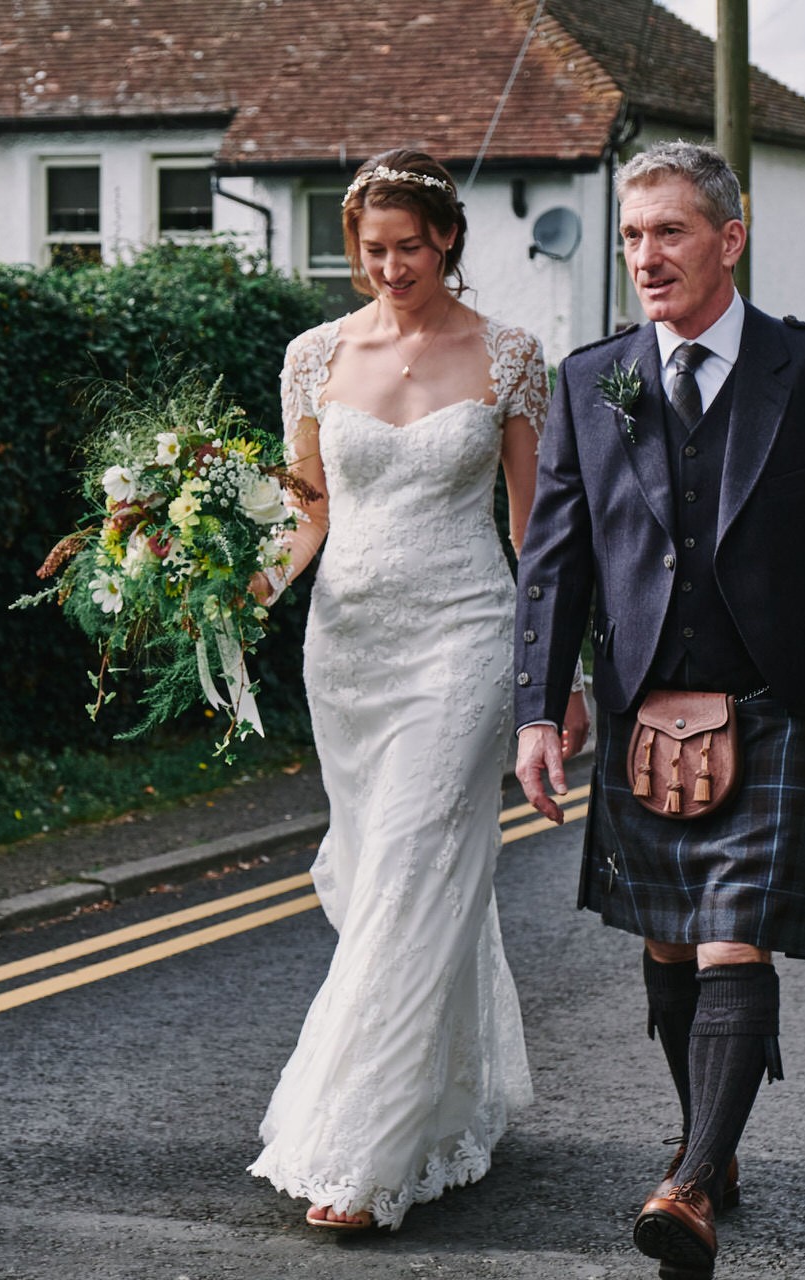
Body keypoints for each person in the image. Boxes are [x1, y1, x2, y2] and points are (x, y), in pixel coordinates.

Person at [512, 141, 805, 1279]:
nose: (646, 256)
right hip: (643, 711)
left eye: (670, 232)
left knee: (735, 932)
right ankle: (711, 1140)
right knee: (669, 937)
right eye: (632, 236)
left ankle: (688, 1185)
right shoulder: (592, 379)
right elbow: (555, 560)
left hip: (774, 701)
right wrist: (540, 707)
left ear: (730, 239)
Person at [246, 149, 588, 1230]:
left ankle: (365, 1155)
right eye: (372, 249)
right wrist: (235, 592)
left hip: (464, 639)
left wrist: (561, 675)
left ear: (446, 239)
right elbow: (305, 513)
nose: (389, 267)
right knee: (382, 882)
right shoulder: (312, 356)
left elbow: (536, 534)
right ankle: (441, 1103)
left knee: (409, 868)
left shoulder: (512, 356)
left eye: (408, 247)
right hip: (348, 650)